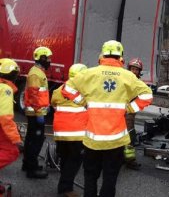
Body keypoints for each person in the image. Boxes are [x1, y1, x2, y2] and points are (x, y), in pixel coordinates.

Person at [61, 40, 153, 197]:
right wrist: (130, 108)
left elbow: (67, 88)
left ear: (103, 54)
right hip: (115, 141)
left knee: (90, 177)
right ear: (121, 56)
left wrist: (83, 102)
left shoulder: (89, 73)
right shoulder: (128, 76)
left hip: (92, 139)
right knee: (110, 178)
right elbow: (147, 95)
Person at [52, 63, 88, 197]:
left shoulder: (59, 89)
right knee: (74, 161)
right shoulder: (83, 92)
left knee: (65, 159)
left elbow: (54, 104)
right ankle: (66, 188)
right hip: (76, 133)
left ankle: (63, 185)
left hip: (60, 133)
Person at [22, 46, 52, 179]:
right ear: (42, 58)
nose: (50, 61)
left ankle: (27, 163)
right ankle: (32, 169)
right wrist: (40, 112)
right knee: (36, 140)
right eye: (48, 58)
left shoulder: (38, 71)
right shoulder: (36, 73)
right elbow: (34, 95)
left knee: (30, 139)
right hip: (35, 114)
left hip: (35, 112)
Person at [0, 59, 22, 172]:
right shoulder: (5, 89)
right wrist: (16, 138)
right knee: (11, 152)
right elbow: (5, 117)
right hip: (1, 126)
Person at [123, 57, 144, 170]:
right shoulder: (124, 80)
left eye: (136, 69)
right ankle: (128, 160)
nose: (134, 71)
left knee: (129, 136)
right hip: (123, 112)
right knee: (126, 136)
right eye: (133, 69)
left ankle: (128, 160)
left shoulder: (138, 83)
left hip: (130, 113)